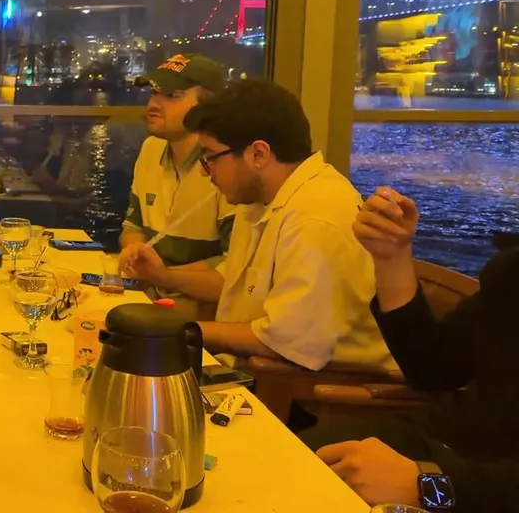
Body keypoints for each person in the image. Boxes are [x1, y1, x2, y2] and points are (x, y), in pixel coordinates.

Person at [121, 79, 392, 371]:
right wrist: (161, 281)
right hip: (254, 368)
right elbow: (236, 291)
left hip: (307, 390)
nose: (205, 173)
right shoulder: (261, 201)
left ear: (258, 154)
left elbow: (285, 340)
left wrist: (177, 331)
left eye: (210, 158)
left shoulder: (315, 218)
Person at [301, 188, 519, 511]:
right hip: (437, 448)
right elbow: (432, 369)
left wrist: (426, 485)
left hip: (475, 490)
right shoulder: (511, 274)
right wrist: (391, 258)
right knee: (280, 460)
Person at [119, 53, 235, 320]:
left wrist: (163, 276)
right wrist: (134, 251)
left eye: (173, 95)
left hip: (202, 315)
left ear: (207, 106)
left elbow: (236, 271)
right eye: (154, 92)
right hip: (149, 295)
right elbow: (133, 225)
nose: (154, 104)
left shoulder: (228, 165)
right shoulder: (151, 148)